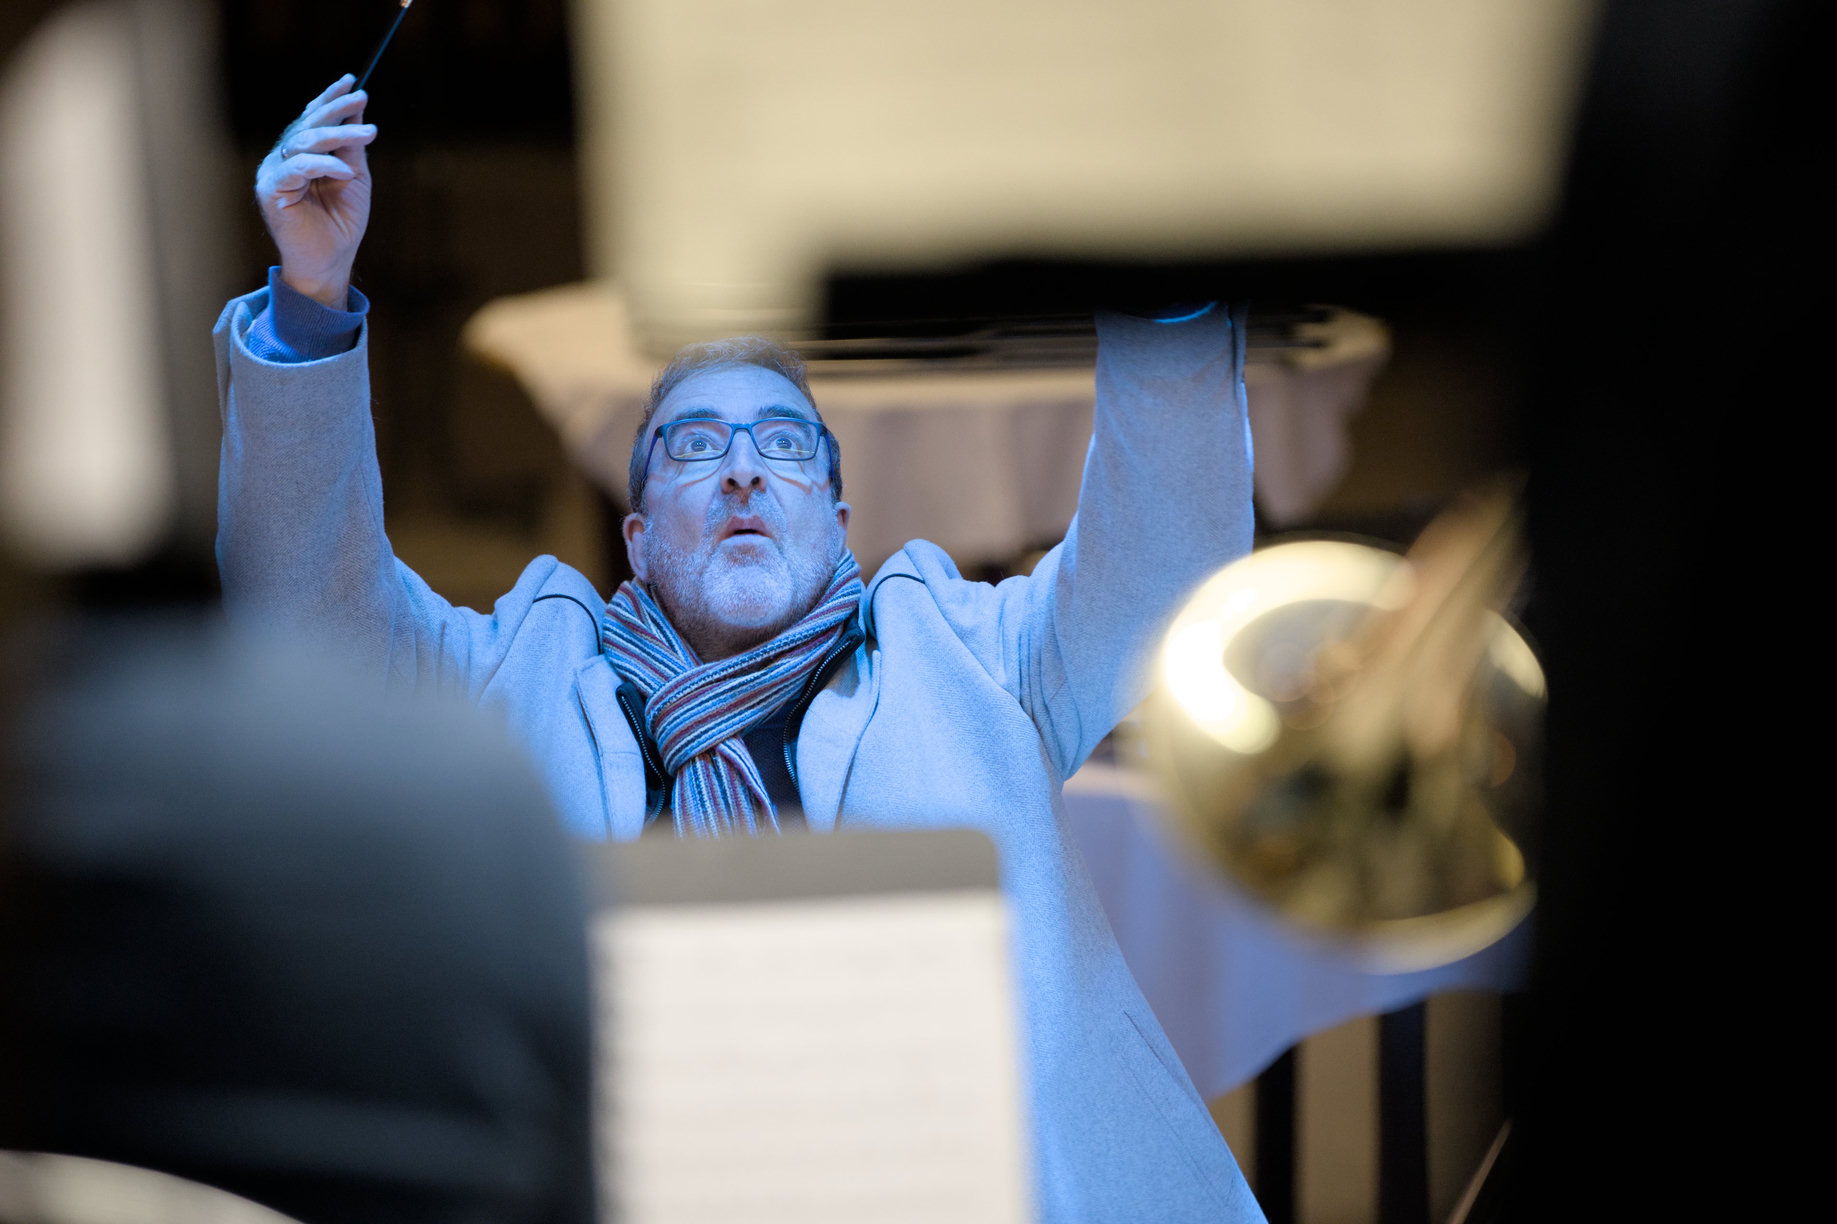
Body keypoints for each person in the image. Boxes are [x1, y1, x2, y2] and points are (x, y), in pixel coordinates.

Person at [218, 75, 1263, 1222]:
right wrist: (310, 301)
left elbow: (1165, 556)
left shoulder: (977, 659)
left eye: (783, 444)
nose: (743, 471)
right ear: (636, 537)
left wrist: (1161, 276)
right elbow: (309, 618)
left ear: (838, 517)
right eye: (694, 447)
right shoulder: (509, 678)